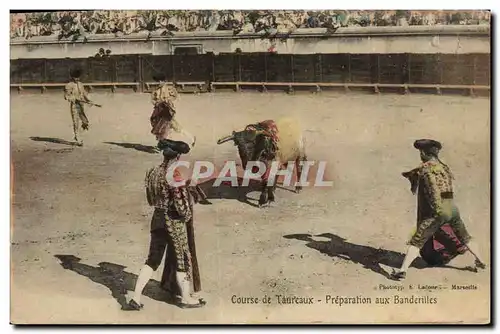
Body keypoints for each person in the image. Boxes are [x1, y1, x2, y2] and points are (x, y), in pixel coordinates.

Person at [126, 139, 206, 310]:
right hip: (173, 220)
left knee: (152, 259)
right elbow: (180, 201)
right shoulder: (176, 173)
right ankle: (185, 298)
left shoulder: (153, 172)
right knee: (182, 259)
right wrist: (186, 215)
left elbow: (150, 198)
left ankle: (136, 297)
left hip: (157, 217)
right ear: (177, 156)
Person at [390, 139, 486, 280]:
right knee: (465, 237)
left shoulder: (424, 169)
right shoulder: (444, 168)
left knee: (417, 240)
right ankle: (481, 261)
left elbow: (423, 185)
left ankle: (402, 271)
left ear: (423, 152)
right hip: (452, 208)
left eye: (420, 152)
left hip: (438, 211)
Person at [149, 73, 196, 149]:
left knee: (167, 128)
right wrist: (157, 103)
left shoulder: (169, 89)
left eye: (160, 81)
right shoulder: (156, 91)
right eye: (158, 81)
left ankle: (190, 138)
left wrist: (168, 102)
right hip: (160, 112)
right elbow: (153, 100)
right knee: (167, 128)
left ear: (164, 81)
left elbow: (175, 98)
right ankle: (190, 138)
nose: (159, 83)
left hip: (168, 112)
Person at [64, 68, 91, 146]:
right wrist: (73, 98)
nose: (77, 79)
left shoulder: (81, 84)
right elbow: (66, 96)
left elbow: (84, 94)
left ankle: (78, 135)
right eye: (75, 77)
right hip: (74, 106)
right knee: (76, 122)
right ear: (72, 77)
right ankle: (78, 137)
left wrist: (88, 100)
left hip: (81, 105)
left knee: (85, 122)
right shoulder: (69, 85)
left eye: (78, 77)